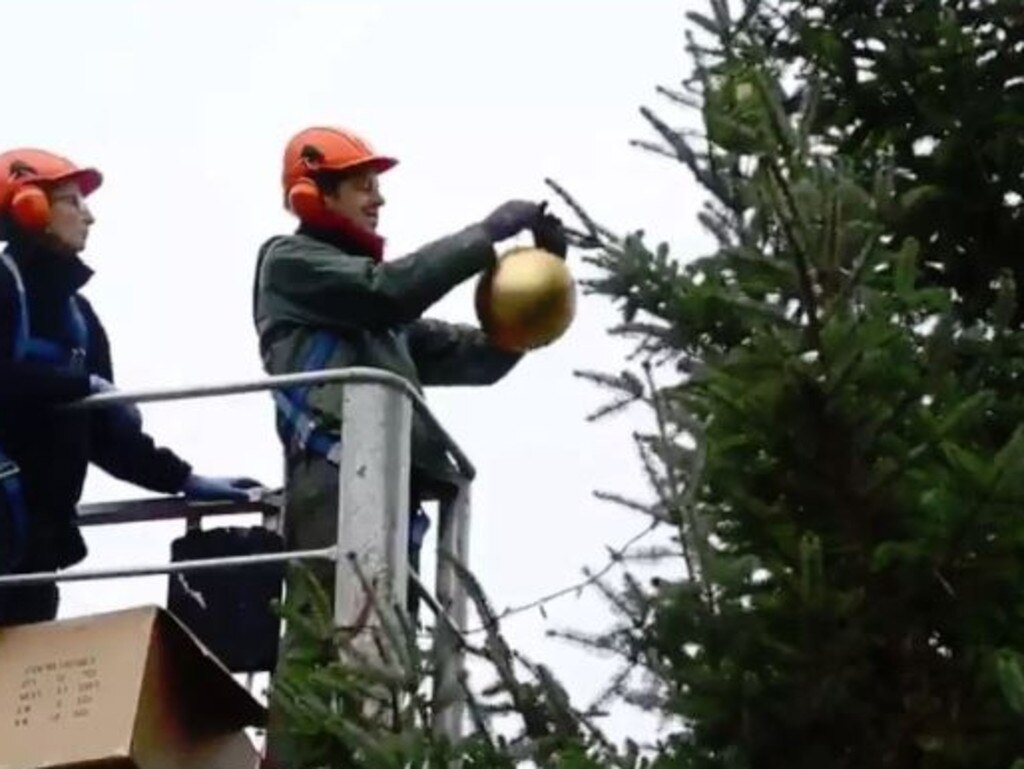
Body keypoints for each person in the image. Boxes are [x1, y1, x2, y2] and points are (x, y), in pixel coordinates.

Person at [251, 125, 567, 765]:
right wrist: (485, 237)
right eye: (363, 185)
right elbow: (387, 290)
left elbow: (476, 358)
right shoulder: (289, 263)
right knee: (319, 629)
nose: (378, 199)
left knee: (389, 633)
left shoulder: (380, 318)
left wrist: (544, 285)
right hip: (334, 476)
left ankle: (378, 752)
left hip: (387, 484)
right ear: (318, 193)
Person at [0, 147, 264, 627]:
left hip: (33, 554)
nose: (89, 216)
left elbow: (105, 435)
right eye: (72, 200)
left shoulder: (80, 320)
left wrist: (182, 479)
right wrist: (81, 384)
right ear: (29, 206)